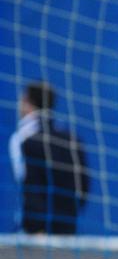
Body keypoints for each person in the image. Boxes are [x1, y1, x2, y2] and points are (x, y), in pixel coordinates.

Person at [8, 82, 90, 234]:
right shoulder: (72, 139)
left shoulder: (22, 138)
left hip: (35, 229)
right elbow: (83, 185)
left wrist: (36, 226)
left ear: (26, 101)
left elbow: (27, 184)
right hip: (66, 226)